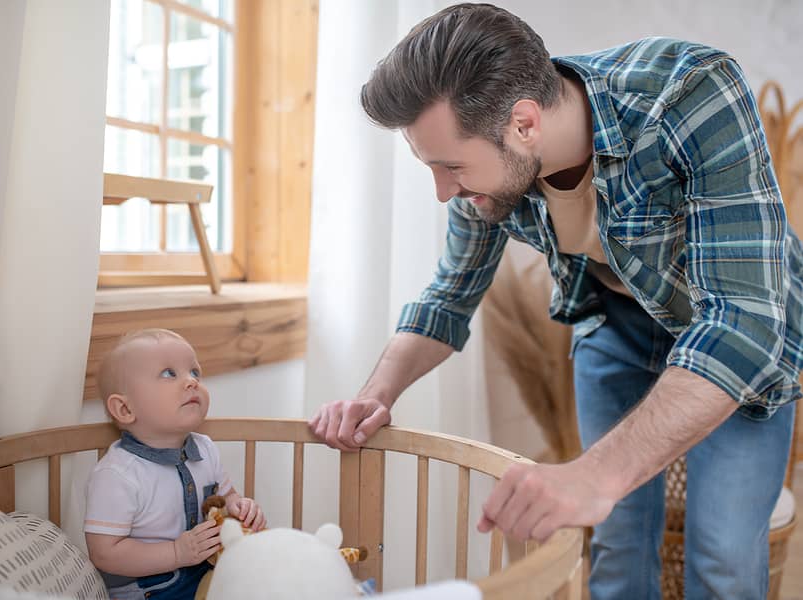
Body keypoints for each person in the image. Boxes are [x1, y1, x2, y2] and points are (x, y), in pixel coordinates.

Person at [308, 4, 803, 598]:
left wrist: (593, 475)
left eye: (450, 167)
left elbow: (743, 323)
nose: (444, 193)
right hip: (612, 323)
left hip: (735, 333)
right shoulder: (485, 182)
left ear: (523, 124)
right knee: (615, 547)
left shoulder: (691, 92)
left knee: (722, 559)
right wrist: (373, 396)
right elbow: (450, 295)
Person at [85, 328, 266, 599]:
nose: (191, 382)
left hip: (202, 571)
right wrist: (176, 553)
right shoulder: (118, 475)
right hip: (149, 588)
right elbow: (105, 553)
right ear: (125, 409)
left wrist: (240, 508)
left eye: (194, 372)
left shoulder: (205, 448)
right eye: (169, 373)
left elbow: (227, 497)